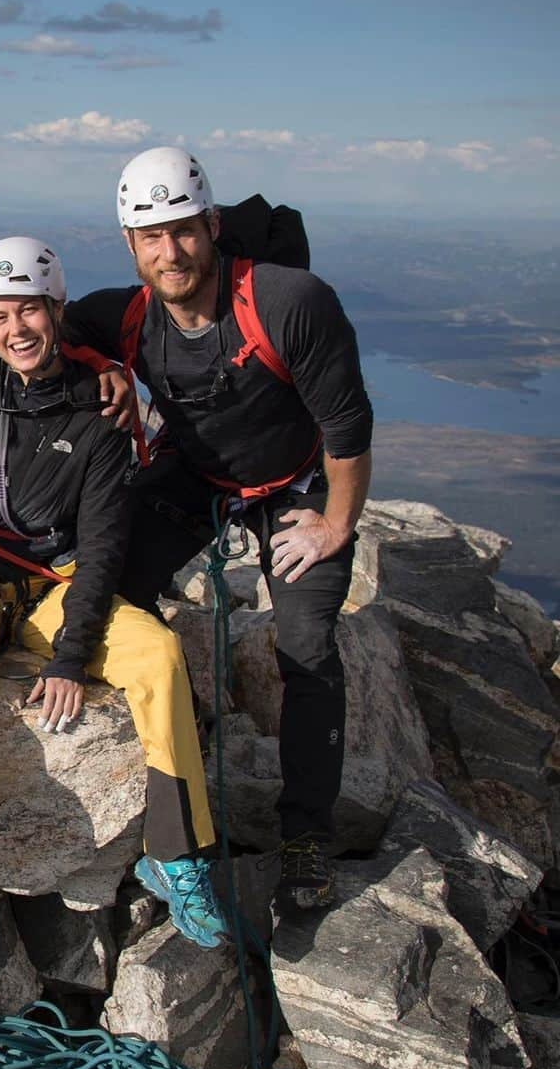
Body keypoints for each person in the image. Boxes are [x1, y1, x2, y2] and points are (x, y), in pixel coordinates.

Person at [0, 236, 227, 949]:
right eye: (0, 316)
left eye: (31, 312)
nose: (17, 330)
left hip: (56, 584)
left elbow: (104, 544)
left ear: (57, 311)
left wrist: (71, 657)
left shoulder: (98, 417)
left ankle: (175, 853)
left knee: (158, 654)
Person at [63, 146, 373, 915]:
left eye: (184, 232)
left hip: (292, 484)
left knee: (305, 642)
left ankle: (305, 835)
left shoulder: (287, 301)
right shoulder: (125, 317)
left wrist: (335, 524)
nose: (171, 253)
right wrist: (98, 365)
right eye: (151, 238)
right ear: (131, 245)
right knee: (109, 588)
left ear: (212, 224)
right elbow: (40, 327)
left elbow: (348, 424)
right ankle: (166, 777)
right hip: (197, 475)